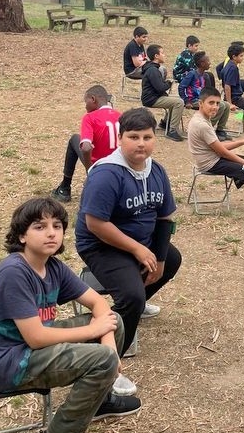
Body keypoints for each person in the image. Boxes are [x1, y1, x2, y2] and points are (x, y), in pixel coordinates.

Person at [0, 197, 140, 433]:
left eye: (57, 226)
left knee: (115, 322)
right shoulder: (14, 272)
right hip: (8, 363)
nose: (51, 232)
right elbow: (37, 337)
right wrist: (101, 346)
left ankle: (98, 399)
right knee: (100, 352)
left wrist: (110, 346)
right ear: (22, 235)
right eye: (40, 226)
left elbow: (98, 305)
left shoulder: (53, 267)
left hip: (30, 350)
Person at [75, 107, 182, 397]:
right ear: (120, 138)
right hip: (101, 246)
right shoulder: (107, 174)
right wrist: (137, 249)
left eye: (147, 136)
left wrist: (157, 257)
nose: (141, 143)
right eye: (133, 136)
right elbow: (95, 224)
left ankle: (130, 312)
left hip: (138, 243)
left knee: (172, 259)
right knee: (131, 294)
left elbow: (165, 219)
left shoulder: (156, 170)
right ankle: (107, 364)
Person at [51, 85, 121, 204]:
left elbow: (86, 147)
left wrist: (90, 170)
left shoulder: (90, 117)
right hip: (119, 165)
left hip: (100, 167)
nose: (85, 105)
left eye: (86, 101)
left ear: (93, 99)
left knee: (74, 139)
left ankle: (65, 188)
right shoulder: (120, 115)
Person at [178, 51, 230, 139]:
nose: (210, 63)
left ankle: (220, 130)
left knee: (226, 105)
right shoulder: (192, 74)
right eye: (208, 61)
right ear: (202, 63)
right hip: (194, 100)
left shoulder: (205, 76)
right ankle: (207, 130)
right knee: (220, 106)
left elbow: (208, 91)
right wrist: (187, 101)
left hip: (204, 100)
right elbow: (181, 87)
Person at [141, 44, 185, 142]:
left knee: (175, 101)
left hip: (153, 97)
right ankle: (172, 131)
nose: (164, 55)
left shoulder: (153, 68)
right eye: (162, 53)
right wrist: (169, 83)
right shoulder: (153, 70)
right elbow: (160, 88)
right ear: (156, 56)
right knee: (179, 102)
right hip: (151, 99)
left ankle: (165, 123)